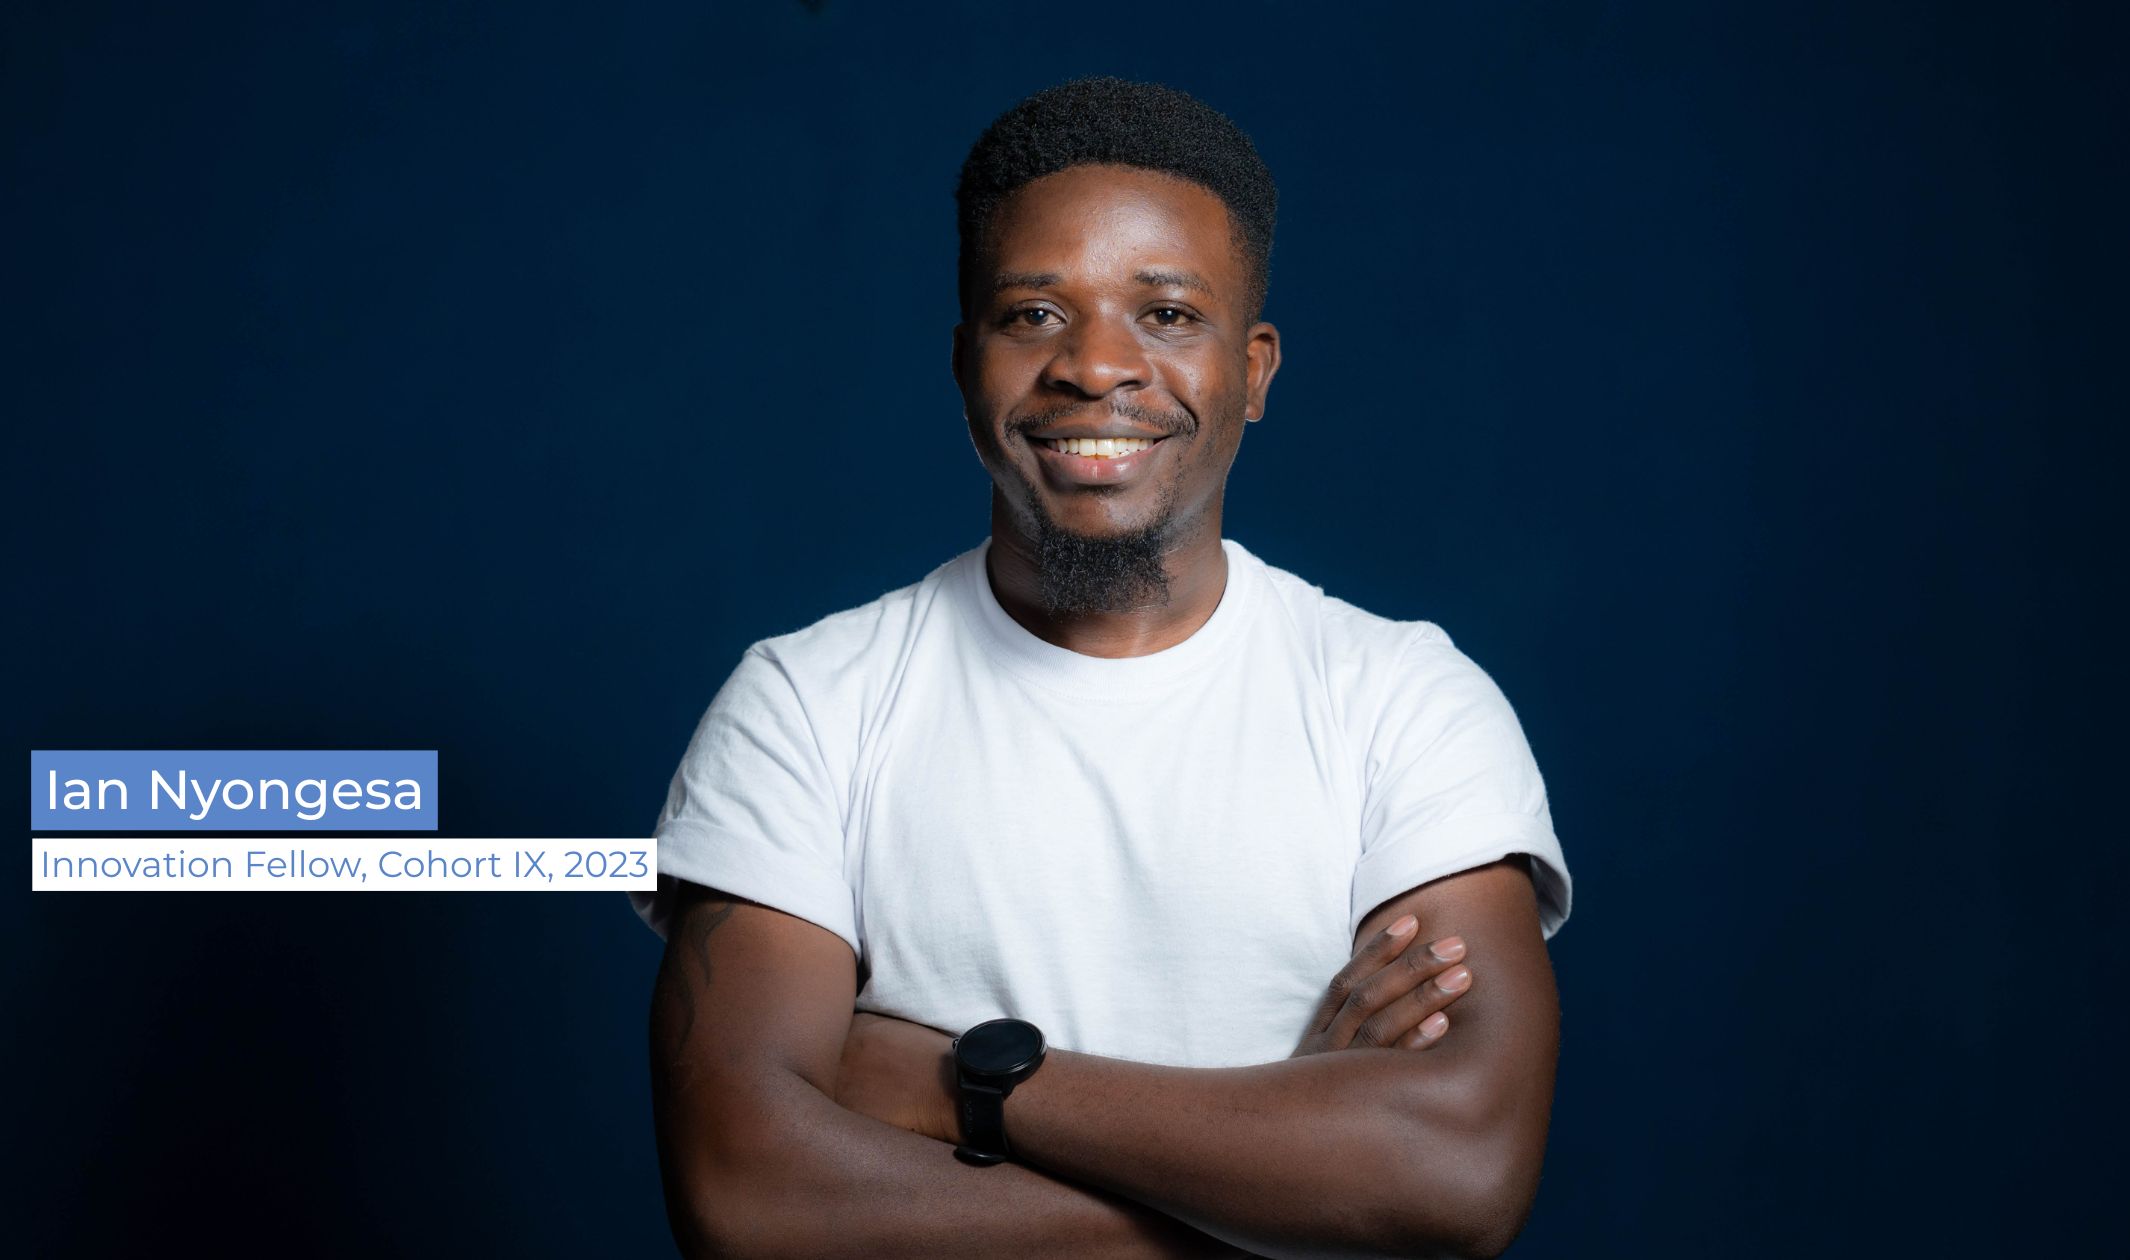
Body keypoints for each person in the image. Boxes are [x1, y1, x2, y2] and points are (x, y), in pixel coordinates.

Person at [632, 75, 1573, 1259]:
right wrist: (1276, 1198)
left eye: (1167, 314)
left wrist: (966, 1084)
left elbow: (1455, 1169)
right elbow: (749, 1197)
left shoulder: (1403, 704)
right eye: (1033, 314)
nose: (1094, 365)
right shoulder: (805, 706)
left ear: (1254, 370)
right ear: (963, 364)